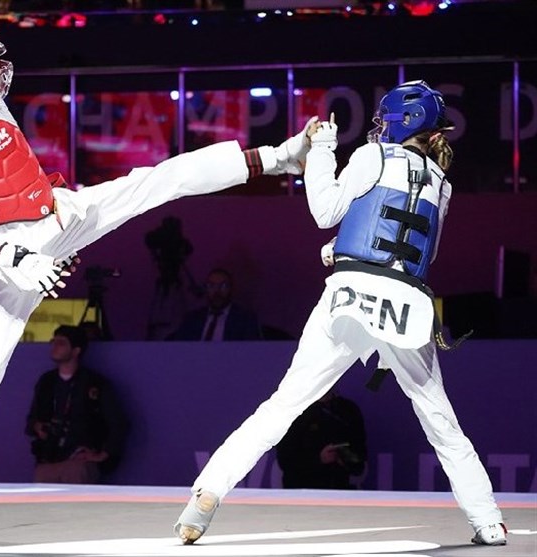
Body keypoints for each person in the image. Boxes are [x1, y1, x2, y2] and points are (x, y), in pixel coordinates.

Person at [0, 15, 315, 534]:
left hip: (56, 215)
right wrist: (15, 258)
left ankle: (279, 157)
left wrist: (55, 216)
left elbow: (9, 171)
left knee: (155, 181)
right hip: (9, 258)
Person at [173, 81, 507, 547]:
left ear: (401, 121)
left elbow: (325, 210)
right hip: (407, 304)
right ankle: (487, 520)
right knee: (441, 422)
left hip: (350, 296)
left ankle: (206, 494)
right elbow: (411, 248)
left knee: (284, 405)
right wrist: (344, 246)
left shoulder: (373, 156)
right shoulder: (442, 183)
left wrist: (323, 150)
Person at [26, 325, 127, 484]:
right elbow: (32, 419)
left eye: (61, 343)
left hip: (79, 461)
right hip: (49, 459)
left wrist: (104, 454)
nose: (54, 346)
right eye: (53, 341)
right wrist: (37, 427)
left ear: (76, 351)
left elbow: (118, 423)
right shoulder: (47, 381)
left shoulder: (94, 383)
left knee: (73, 492)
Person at [274, 388, 366, 489]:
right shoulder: (294, 411)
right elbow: (285, 460)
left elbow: (359, 461)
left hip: (338, 490)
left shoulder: (348, 410)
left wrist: (345, 457)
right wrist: (319, 459)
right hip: (302, 491)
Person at [166, 268, 262, 341]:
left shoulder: (245, 319)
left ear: (231, 289)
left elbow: (251, 353)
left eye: (223, 286)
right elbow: (180, 349)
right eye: (211, 286)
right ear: (206, 289)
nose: (217, 291)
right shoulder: (192, 319)